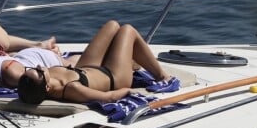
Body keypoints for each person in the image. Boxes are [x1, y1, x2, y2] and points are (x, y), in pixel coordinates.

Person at [17, 20, 176, 105]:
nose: (38, 66)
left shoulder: (47, 76)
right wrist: (128, 92)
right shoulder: (72, 89)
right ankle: (163, 76)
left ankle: (132, 62)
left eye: (32, 68)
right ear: (46, 87)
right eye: (38, 72)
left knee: (112, 25)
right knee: (127, 30)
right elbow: (108, 97)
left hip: (85, 68)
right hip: (114, 77)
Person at [0, 47, 80, 91]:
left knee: (76, 65)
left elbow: (39, 77)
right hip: (24, 56)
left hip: (43, 59)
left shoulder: (12, 75)